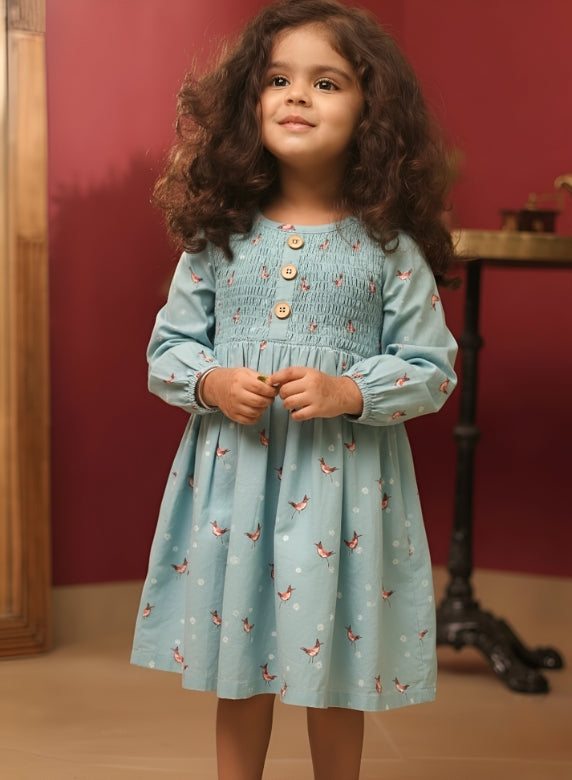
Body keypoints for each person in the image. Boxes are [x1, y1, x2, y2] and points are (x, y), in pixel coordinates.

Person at [131, 1, 458, 777]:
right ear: (249, 102)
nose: (297, 95)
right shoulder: (220, 239)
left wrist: (351, 391)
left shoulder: (389, 248)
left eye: (327, 82)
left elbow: (433, 364)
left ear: (373, 115)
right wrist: (210, 382)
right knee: (238, 662)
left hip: (342, 492)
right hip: (236, 487)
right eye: (278, 78)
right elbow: (166, 348)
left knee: (335, 665)